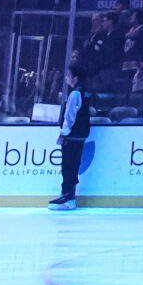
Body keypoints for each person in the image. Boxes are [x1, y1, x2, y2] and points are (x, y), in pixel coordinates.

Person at [50, 64, 93, 210]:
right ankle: (69, 195)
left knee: (68, 166)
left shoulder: (75, 94)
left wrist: (63, 134)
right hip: (80, 135)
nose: (66, 78)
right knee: (72, 166)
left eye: (68, 75)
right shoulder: (84, 92)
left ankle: (68, 196)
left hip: (73, 136)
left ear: (75, 77)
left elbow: (70, 116)